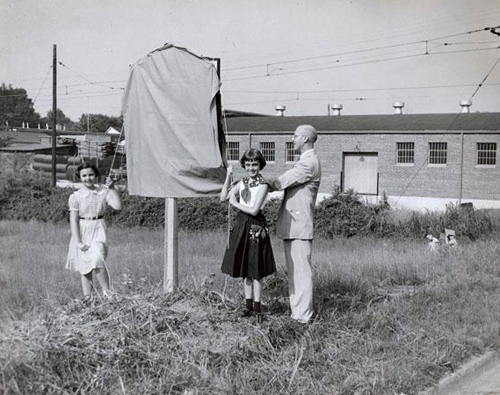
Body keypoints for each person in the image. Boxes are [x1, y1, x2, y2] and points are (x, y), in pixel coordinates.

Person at [266, 124, 321, 323]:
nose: (292, 139)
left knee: (301, 273)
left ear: (306, 138)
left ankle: (304, 317)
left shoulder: (309, 163)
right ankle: (297, 314)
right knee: (295, 272)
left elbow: (282, 181)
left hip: (300, 226)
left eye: (296, 135)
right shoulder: (305, 161)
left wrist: (259, 182)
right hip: (295, 226)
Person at [221, 148, 276, 318]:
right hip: (241, 226)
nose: (251, 168)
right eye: (248, 164)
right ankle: (248, 307)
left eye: (255, 164)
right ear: (244, 165)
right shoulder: (242, 182)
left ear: (260, 165)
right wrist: (228, 177)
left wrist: (236, 204)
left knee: (256, 269)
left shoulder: (264, 185)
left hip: (255, 226)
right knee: (245, 269)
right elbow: (223, 197)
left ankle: (258, 309)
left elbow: (254, 210)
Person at [66, 162, 122, 302]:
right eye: (84, 175)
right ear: (80, 177)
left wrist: (112, 188)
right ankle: (88, 298)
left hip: (98, 227)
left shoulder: (103, 191)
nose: (88, 178)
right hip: (83, 229)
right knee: (85, 266)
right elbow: (73, 221)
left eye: (91, 174)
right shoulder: (76, 196)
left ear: (96, 175)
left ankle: (107, 293)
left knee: (97, 259)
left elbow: (117, 206)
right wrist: (78, 241)